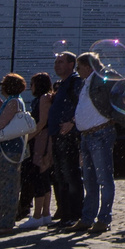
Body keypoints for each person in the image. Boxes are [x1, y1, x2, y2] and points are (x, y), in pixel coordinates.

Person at [69, 51, 116, 235]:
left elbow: (118, 94)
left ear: (88, 67)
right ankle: (87, 218)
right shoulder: (86, 82)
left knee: (104, 178)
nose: (77, 71)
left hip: (100, 133)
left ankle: (104, 218)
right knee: (89, 180)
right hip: (87, 135)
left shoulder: (103, 78)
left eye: (79, 67)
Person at [0, 74, 30, 236]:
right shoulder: (13, 101)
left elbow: (2, 123)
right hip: (9, 148)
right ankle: (5, 220)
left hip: (8, 149)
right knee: (5, 183)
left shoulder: (13, 102)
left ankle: (6, 222)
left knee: (6, 184)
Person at [46, 50, 84, 228]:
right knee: (60, 176)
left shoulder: (75, 82)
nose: (57, 65)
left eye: (60, 62)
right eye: (56, 62)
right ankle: (65, 213)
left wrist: (72, 122)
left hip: (68, 135)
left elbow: (82, 104)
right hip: (57, 134)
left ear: (71, 64)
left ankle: (74, 214)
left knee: (70, 174)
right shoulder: (61, 84)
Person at [18, 72, 55, 229]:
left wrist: (27, 138)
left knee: (38, 175)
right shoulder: (43, 98)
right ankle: (45, 213)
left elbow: (42, 122)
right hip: (42, 138)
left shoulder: (44, 98)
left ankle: (38, 214)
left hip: (41, 140)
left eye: (32, 84)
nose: (31, 87)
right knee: (44, 177)